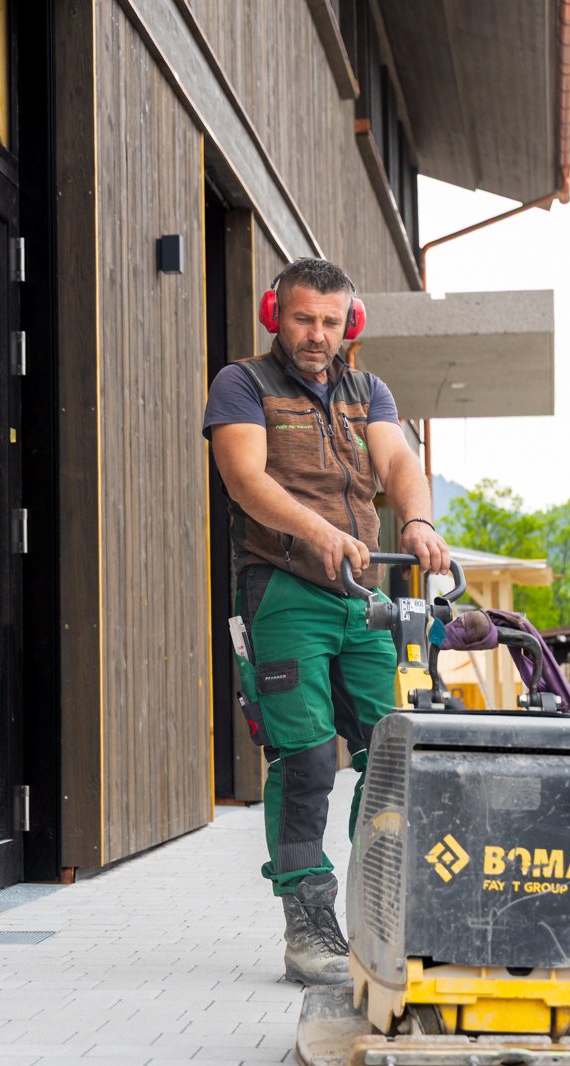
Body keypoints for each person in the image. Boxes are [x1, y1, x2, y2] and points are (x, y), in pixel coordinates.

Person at [203, 257, 451, 985]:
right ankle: (307, 924)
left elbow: (398, 463)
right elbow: (244, 478)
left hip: (361, 597)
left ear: (352, 324)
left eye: (331, 322)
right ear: (275, 315)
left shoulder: (369, 391)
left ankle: (379, 907)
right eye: (303, 319)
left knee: (391, 753)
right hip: (282, 590)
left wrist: (416, 519)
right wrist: (318, 531)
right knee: (308, 759)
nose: (317, 334)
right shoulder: (243, 384)